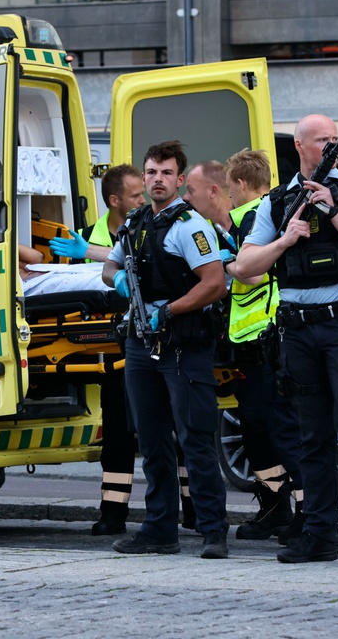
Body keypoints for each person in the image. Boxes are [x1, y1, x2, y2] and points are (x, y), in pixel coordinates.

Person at [235, 114, 338, 570]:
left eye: (334, 139)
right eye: (322, 139)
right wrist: (285, 241)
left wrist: (334, 210)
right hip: (298, 332)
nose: (331, 146)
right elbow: (244, 267)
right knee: (312, 438)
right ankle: (321, 533)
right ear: (300, 146)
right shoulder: (277, 201)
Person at [51, 164, 198, 536]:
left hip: (159, 340)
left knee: (179, 429)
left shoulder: (152, 227)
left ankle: (193, 510)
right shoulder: (86, 237)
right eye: (135, 195)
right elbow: (69, 285)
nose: (143, 199)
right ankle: (113, 512)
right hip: (108, 347)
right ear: (115, 200)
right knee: (117, 432)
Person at [102, 140, 230, 558]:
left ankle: (213, 530)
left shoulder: (190, 226)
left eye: (167, 173)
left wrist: (169, 311)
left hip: (182, 343)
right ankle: (159, 530)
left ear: (179, 179)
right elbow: (110, 264)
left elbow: (215, 283)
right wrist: (117, 278)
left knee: (195, 439)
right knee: (152, 441)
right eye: (152, 173)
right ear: (144, 177)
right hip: (141, 343)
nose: (158, 180)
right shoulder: (137, 221)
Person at [219, 150, 306, 543]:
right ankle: (275, 508)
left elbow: (256, 274)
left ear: (240, 184)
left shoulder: (255, 216)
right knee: (257, 431)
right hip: (255, 345)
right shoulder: (262, 213)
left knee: (279, 430)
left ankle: (305, 513)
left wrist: (228, 264)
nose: (228, 195)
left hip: (267, 342)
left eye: (229, 187)